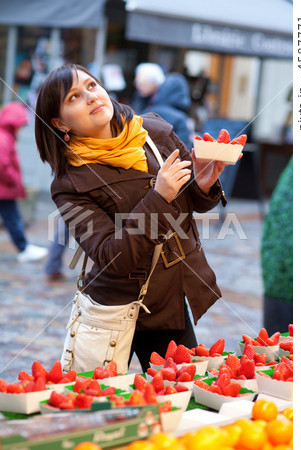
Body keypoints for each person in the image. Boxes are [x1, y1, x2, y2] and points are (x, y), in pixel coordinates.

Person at [35, 63, 228, 373]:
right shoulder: (68, 184)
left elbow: (190, 203)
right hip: (113, 307)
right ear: (60, 123)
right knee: (99, 405)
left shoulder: (155, 132)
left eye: (92, 86)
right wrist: (158, 196)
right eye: (73, 97)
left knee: (182, 400)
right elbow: (112, 257)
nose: (90, 97)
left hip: (168, 301)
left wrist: (203, 182)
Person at [0, 101, 48, 263]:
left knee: (12, 217)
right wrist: (14, 180)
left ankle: (24, 248)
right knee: (13, 218)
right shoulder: (4, 137)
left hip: (4, 188)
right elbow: (2, 165)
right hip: (4, 188)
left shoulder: (5, 136)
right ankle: (23, 248)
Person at [132, 63, 192, 149]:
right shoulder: (143, 100)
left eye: (142, 83)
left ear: (155, 83)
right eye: (136, 83)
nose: (138, 87)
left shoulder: (159, 109)